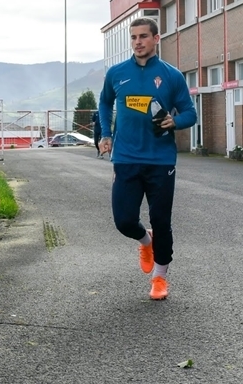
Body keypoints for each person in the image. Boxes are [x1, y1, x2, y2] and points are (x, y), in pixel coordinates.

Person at [97, 17, 196, 301]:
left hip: (161, 160)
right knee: (124, 220)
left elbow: (190, 113)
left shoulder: (171, 75)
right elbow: (104, 103)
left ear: (156, 39)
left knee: (161, 219)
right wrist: (106, 134)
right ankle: (145, 241)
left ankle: (160, 278)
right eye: (133, 37)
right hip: (126, 157)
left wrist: (174, 122)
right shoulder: (117, 73)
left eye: (143, 36)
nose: (138, 42)